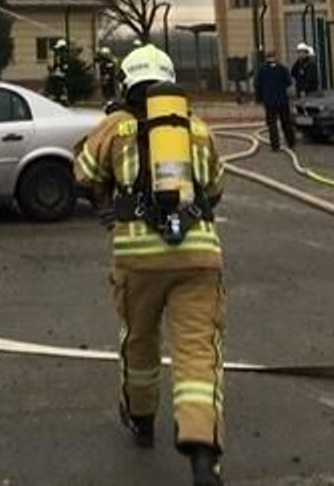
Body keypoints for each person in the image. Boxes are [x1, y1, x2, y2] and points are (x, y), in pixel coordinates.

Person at [75, 46, 226, 485]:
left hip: (137, 258)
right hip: (199, 254)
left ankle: (141, 420)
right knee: (199, 351)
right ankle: (202, 454)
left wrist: (110, 195)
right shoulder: (196, 128)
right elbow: (215, 187)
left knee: (139, 341)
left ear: (126, 84)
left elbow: (83, 173)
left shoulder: (114, 127)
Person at [255, 50, 296, 151]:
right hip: (282, 100)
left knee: (272, 124)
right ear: (276, 57)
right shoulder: (282, 68)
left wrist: (261, 97)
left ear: (266, 58)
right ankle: (291, 142)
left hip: (269, 101)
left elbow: (257, 84)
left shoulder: (262, 70)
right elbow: (288, 82)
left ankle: (275, 145)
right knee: (286, 122)